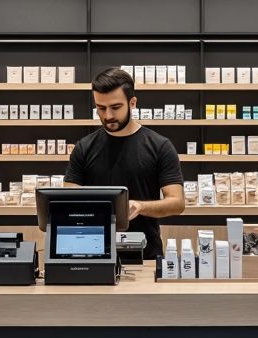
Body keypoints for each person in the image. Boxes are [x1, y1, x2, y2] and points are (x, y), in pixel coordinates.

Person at [64, 67, 185, 259]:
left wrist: (140, 207)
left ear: (132, 103)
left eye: (115, 107)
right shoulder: (84, 147)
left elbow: (177, 203)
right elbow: (67, 200)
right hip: (92, 255)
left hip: (145, 257)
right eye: (101, 108)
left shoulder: (159, 146)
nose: (108, 115)